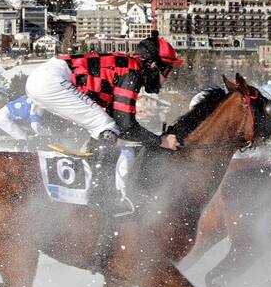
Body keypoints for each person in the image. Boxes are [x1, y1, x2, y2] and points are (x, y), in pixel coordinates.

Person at [25, 31, 183, 213]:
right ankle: (101, 195)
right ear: (154, 65)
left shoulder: (128, 68)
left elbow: (121, 122)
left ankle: (89, 176)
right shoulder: (133, 72)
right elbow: (126, 125)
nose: (167, 78)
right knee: (106, 127)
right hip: (51, 79)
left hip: (45, 79)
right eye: (168, 70)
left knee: (105, 126)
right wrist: (161, 141)